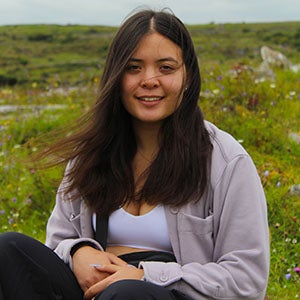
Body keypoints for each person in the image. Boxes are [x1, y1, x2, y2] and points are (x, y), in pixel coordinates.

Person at [0, 8, 269, 300]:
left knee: (127, 294)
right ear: (116, 77)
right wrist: (78, 251)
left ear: (187, 75)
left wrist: (145, 276)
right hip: (93, 293)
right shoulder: (90, 154)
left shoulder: (226, 161)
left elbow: (247, 278)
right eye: (133, 67)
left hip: (162, 295)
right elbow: (57, 244)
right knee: (8, 249)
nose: (149, 80)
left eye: (166, 68)